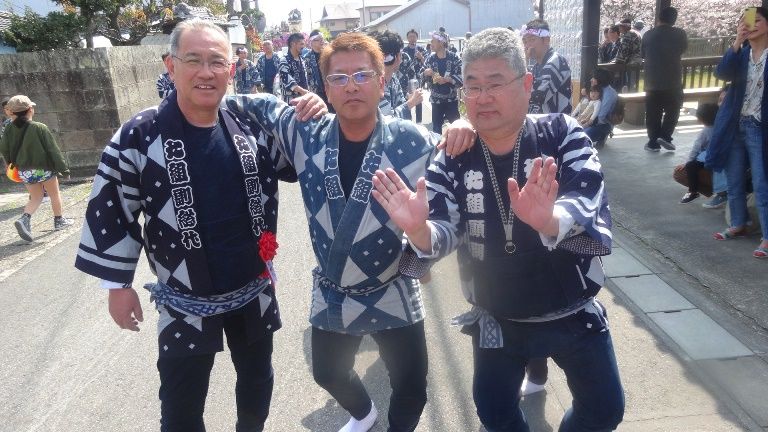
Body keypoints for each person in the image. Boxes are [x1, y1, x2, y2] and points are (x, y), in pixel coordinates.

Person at [73, 19, 326, 432]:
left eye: (217, 62)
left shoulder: (251, 123)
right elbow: (111, 209)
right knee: (180, 405)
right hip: (183, 297)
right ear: (170, 66)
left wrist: (311, 116)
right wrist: (116, 287)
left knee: (257, 382)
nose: (206, 72)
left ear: (232, 69)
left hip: (253, 286)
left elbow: (299, 163)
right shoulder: (138, 135)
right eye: (193, 60)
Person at [372, 27, 625, 431]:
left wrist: (550, 219)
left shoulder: (561, 133)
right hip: (499, 315)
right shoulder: (454, 157)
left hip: (572, 309)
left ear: (526, 85)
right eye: (472, 86)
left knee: (605, 409)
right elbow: (440, 229)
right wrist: (418, 231)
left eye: (495, 84)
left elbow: (586, 196)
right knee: (494, 410)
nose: (483, 97)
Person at [226, 31, 475, 432]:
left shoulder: (414, 143)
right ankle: (364, 414)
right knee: (327, 372)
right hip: (334, 288)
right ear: (325, 88)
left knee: (411, 386)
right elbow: (253, 106)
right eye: (338, 78)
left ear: (382, 80)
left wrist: (465, 123)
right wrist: (193, 97)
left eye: (362, 74)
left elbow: (461, 153)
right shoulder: (305, 131)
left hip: (392, 285)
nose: (351, 85)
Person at [706, 7, 768, 259]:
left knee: (762, 184)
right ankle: (738, 223)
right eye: (745, 22)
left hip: (758, 126)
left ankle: (766, 237)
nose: (750, 25)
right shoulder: (741, 54)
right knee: (733, 180)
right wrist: (736, 42)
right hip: (734, 125)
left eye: (757, 20)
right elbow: (721, 73)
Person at [0, 95, 73, 242]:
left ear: (12, 112)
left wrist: (9, 163)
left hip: (24, 171)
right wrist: (64, 170)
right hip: (44, 168)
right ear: (29, 110)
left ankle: (24, 219)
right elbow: (53, 150)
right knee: (54, 194)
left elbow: (5, 149)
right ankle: (59, 220)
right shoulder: (39, 127)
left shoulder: (8, 129)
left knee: (36, 197)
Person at [641, 6, 687, 152]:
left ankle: (653, 142)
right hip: (673, 80)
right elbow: (682, 50)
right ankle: (665, 136)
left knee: (653, 112)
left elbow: (643, 54)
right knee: (673, 109)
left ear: (659, 18)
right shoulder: (680, 34)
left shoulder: (648, 35)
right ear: (674, 20)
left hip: (652, 81)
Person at [522, 19, 572, 114]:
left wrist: (524, 62)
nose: (527, 45)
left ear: (546, 40)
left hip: (556, 125)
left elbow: (538, 96)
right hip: (543, 125)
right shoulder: (536, 67)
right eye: (525, 41)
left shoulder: (556, 61)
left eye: (532, 39)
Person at [373, 30, 424, 120]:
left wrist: (409, 98)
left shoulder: (393, 79)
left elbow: (400, 103)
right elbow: (387, 121)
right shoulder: (375, 83)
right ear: (398, 57)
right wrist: (411, 102)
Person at [422, 29, 463, 133]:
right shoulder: (430, 59)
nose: (431, 43)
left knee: (457, 128)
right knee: (436, 129)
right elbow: (421, 74)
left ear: (441, 42)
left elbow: (462, 76)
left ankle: (459, 148)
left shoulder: (454, 57)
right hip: (436, 101)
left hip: (451, 100)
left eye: (433, 41)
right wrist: (426, 73)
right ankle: (439, 148)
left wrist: (449, 79)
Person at [679, 103, 719, 203]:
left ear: (700, 119)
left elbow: (696, 148)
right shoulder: (722, 126)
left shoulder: (705, 132)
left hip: (709, 158)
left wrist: (687, 162)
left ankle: (693, 191)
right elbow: (705, 113)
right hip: (720, 156)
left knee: (690, 166)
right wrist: (690, 110)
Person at [702, 85, 731, 209]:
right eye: (720, 101)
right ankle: (720, 192)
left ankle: (722, 193)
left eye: (725, 101)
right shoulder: (717, 117)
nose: (721, 105)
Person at [584, 68, 619, 146]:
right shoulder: (598, 89)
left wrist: (586, 124)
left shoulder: (609, 94)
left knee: (581, 136)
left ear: (600, 80)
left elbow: (601, 116)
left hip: (602, 124)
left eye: (594, 78)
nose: (591, 80)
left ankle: (603, 134)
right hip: (592, 120)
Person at [279, 33, 313, 102]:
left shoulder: (302, 60)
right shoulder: (284, 60)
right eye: (301, 44)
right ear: (292, 44)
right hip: (291, 101)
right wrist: (303, 91)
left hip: (304, 98)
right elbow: (287, 80)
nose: (303, 47)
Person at [402, 29, 427, 123]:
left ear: (417, 37)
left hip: (418, 78)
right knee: (406, 99)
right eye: (410, 36)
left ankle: (419, 122)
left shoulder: (421, 49)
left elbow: (427, 63)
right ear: (407, 38)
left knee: (418, 99)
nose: (412, 38)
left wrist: (421, 58)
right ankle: (407, 121)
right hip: (406, 78)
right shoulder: (404, 51)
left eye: (414, 36)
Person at [615, 18, 642, 90]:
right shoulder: (636, 33)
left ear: (625, 27)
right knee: (634, 85)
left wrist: (617, 60)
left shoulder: (628, 35)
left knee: (630, 86)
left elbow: (623, 51)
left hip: (632, 63)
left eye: (621, 26)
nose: (619, 28)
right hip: (637, 62)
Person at [305, 30, 330, 108]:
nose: (322, 41)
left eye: (322, 39)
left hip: (330, 89)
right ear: (312, 42)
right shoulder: (307, 58)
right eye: (318, 39)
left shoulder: (329, 54)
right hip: (317, 92)